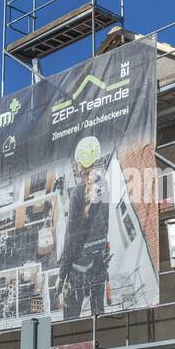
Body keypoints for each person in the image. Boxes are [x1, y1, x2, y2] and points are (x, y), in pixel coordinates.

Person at [57, 136, 110, 318]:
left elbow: (71, 237)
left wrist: (62, 274)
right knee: (98, 315)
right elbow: (104, 225)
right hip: (99, 264)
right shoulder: (104, 186)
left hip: (79, 269)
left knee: (70, 319)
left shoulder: (78, 193)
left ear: (80, 164)